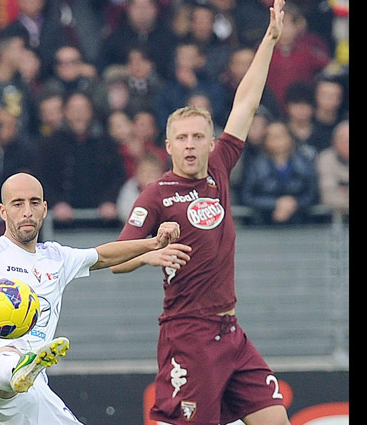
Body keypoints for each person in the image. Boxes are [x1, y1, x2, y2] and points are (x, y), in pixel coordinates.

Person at [110, 1, 292, 424]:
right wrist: (151, 252)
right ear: (168, 146)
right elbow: (116, 261)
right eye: (182, 138)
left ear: (211, 143)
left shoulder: (220, 167)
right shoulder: (156, 195)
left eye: (197, 136)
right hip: (188, 336)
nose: (190, 144)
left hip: (231, 333)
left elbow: (245, 102)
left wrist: (269, 41)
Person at [0, 172, 184, 425]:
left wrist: (152, 244)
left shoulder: (57, 258)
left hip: (30, 391)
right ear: (3, 211)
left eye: (34, 202)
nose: (27, 211)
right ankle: (17, 367)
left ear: (45, 208)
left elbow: (103, 255)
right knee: (4, 357)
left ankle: (25, 369)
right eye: (17, 204)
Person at [35, 91, 126, 223]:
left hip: (102, 220)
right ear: (65, 112)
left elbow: (118, 176)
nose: (78, 114)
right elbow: (40, 177)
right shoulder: (50, 144)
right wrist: (55, 202)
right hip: (60, 221)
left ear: (91, 112)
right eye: (74, 109)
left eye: (83, 109)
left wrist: (109, 200)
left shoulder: (107, 144)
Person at [240, 120, 318, 225]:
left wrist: (293, 203)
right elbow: (247, 196)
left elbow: (312, 193)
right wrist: (276, 203)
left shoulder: (305, 163)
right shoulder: (255, 166)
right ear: (265, 140)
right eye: (272, 136)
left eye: (281, 135)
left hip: (301, 222)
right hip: (263, 222)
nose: (277, 139)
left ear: (290, 138)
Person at [316, 119, 349, 215]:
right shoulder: (325, 158)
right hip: (333, 217)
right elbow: (328, 196)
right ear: (334, 142)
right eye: (343, 140)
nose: (347, 144)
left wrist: (344, 191)